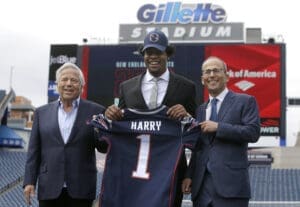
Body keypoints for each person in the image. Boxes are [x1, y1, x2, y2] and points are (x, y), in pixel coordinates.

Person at [105, 29, 197, 207]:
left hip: (171, 171)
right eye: (148, 52)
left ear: (167, 54)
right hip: (136, 171)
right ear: (143, 55)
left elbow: (196, 133)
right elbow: (120, 128)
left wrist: (186, 115)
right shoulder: (127, 87)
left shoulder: (186, 87)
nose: (153, 57)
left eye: (158, 52)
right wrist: (112, 117)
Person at [23, 62, 106, 207]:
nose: (68, 84)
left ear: (81, 86)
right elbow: (33, 152)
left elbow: (103, 147)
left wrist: (102, 129)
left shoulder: (96, 111)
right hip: (49, 189)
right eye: (64, 79)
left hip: (81, 190)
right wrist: (29, 181)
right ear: (57, 84)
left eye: (74, 80)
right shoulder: (41, 113)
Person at [182, 56, 260, 207]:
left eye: (216, 70)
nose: (211, 75)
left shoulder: (245, 101)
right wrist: (189, 175)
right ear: (203, 79)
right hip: (201, 189)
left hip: (232, 188)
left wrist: (219, 127)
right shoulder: (201, 109)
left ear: (227, 76)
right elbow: (198, 148)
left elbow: (253, 132)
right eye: (207, 72)